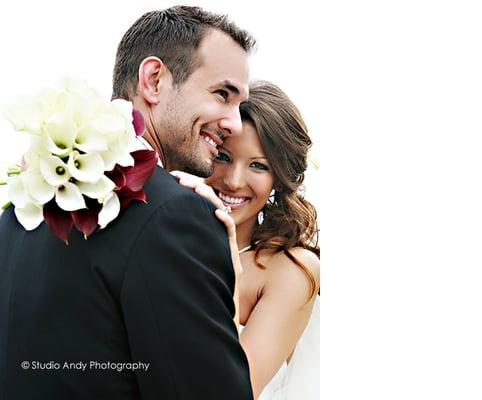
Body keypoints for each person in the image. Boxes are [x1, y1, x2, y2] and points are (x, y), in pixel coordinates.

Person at [0, 6, 255, 399]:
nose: (234, 124)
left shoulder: (19, 209)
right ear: (153, 80)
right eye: (222, 94)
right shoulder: (176, 216)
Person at [173, 81, 320, 399]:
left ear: (278, 178)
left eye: (258, 165)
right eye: (223, 156)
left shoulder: (291, 271)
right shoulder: (168, 244)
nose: (233, 180)